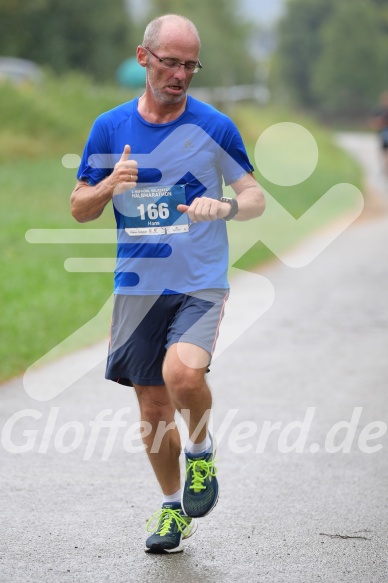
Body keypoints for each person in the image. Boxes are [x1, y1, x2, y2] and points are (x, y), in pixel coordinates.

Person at [70, 14, 265, 554]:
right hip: (138, 288)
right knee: (152, 410)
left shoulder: (214, 126)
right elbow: (79, 208)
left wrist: (223, 205)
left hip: (199, 283)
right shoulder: (109, 129)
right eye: (170, 62)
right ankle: (173, 509)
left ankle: (201, 456)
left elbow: (254, 197)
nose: (180, 74)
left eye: (189, 65)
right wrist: (110, 183)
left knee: (182, 372)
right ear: (143, 58)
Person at [371, 91, 388, 176]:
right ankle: (385, 168)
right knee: (384, 152)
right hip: (383, 133)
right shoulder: (379, 110)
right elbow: (374, 122)